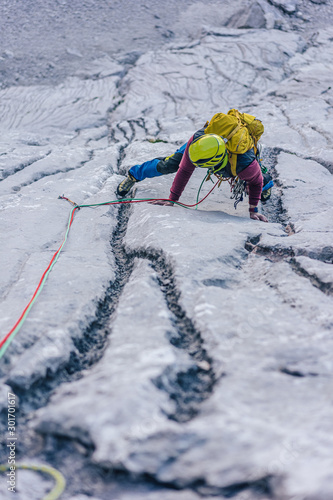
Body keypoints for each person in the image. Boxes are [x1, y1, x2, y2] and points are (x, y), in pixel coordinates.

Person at [116, 126, 268, 222]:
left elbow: (256, 181)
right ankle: (134, 175)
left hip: (240, 156)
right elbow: (184, 170)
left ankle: (268, 186)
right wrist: (172, 200)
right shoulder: (196, 143)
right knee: (170, 164)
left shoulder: (244, 163)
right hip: (207, 144)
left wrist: (253, 209)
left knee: (255, 177)